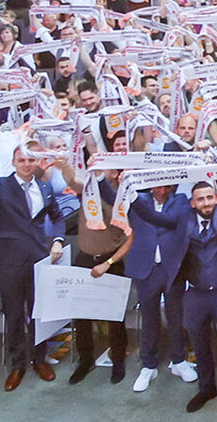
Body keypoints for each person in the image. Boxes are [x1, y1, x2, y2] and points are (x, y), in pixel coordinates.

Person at [129, 179, 217, 412]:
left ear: (216, 199)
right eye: (201, 198)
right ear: (193, 202)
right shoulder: (183, 219)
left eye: (210, 197)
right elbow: (151, 216)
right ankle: (207, 388)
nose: (206, 202)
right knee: (200, 347)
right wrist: (128, 193)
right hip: (195, 295)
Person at [0, 144, 66, 391]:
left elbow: (57, 217)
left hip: (38, 258)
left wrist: (57, 240)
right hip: (9, 260)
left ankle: (39, 359)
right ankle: (17, 364)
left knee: (39, 312)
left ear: (35, 163)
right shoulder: (0, 186)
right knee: (13, 314)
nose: (25, 164)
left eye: (30, 160)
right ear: (13, 162)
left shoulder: (44, 187)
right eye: (21, 160)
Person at [54, 152, 131, 385]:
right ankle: (85, 359)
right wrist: (65, 165)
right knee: (80, 314)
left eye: (108, 168)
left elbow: (130, 238)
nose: (104, 172)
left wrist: (108, 263)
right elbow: (71, 181)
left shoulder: (124, 198)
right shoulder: (87, 190)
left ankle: (118, 358)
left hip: (111, 260)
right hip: (85, 258)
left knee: (115, 316)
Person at [124, 183, 195, 392]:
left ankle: (179, 361)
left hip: (172, 269)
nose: (162, 192)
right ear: (151, 186)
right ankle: (148, 365)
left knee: (175, 316)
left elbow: (173, 222)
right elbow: (111, 198)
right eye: (158, 188)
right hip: (147, 269)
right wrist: (101, 177)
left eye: (166, 188)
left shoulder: (181, 200)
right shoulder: (136, 199)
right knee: (149, 318)